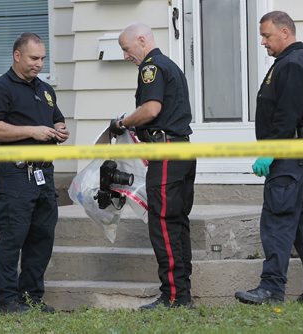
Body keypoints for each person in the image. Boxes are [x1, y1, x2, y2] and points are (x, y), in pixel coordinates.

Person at [235, 11, 303, 305]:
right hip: (302, 156)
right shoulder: (295, 63)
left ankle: (271, 289)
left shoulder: (292, 65)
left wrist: (269, 151)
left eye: (266, 35)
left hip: (290, 156)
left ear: (285, 33)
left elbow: (287, 114)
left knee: (277, 220)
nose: (263, 42)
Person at [0, 32, 69, 313]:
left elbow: (56, 118)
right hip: (15, 175)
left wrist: (61, 128)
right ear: (17, 56)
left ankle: (31, 298)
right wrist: (32, 131)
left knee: (42, 238)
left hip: (44, 175)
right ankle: (5, 301)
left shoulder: (44, 90)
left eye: (42, 58)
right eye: (33, 58)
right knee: (13, 238)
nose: (39, 64)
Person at [109, 22, 196, 309]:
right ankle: (180, 294)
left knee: (163, 223)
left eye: (126, 48)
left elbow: (151, 110)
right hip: (180, 149)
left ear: (142, 40)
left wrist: (122, 122)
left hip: (166, 151)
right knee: (177, 223)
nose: (125, 55)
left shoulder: (151, 68)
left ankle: (173, 296)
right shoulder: (169, 65)